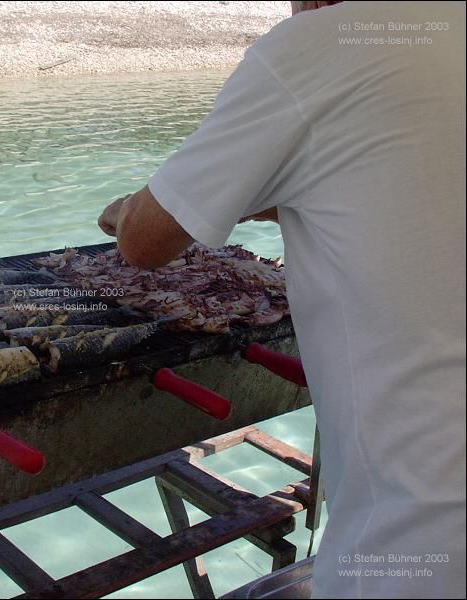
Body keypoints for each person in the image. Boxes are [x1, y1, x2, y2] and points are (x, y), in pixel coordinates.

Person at [99, 1, 465, 598]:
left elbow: (144, 242)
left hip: (418, 536)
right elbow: (382, 183)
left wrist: (136, 210)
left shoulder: (317, 44)